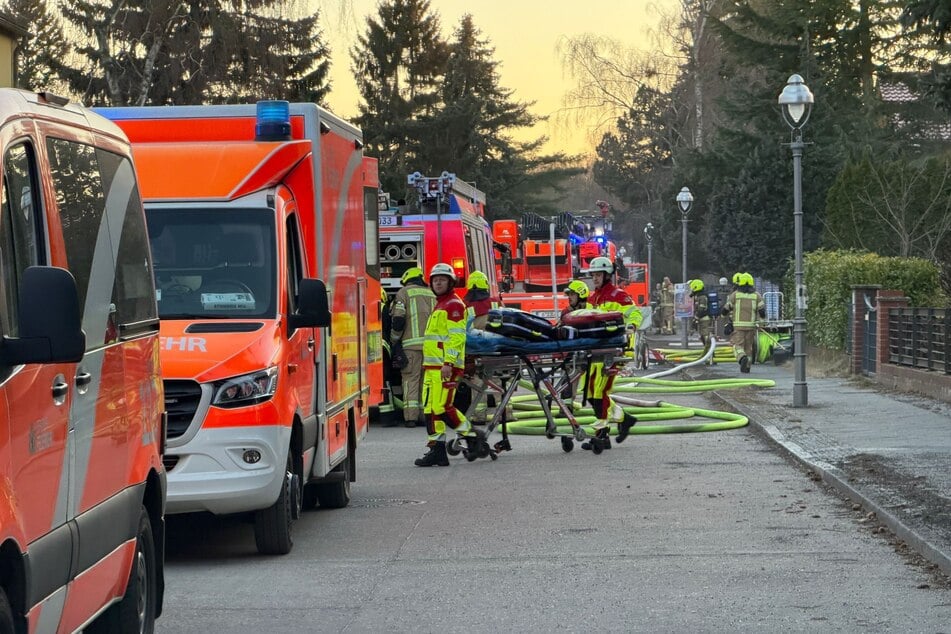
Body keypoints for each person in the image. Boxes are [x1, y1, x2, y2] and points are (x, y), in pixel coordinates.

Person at [415, 262, 482, 467]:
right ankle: (437, 451)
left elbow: (456, 338)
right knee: (431, 409)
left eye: (442, 280)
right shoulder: (441, 303)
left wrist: (449, 362)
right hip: (432, 367)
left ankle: (472, 438)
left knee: (442, 407)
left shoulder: (453, 305)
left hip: (445, 367)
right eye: (435, 280)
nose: (438, 283)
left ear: (450, 282)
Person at [583, 256, 641, 449]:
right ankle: (624, 419)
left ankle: (602, 436)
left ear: (607, 275)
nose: (595, 278)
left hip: (614, 352)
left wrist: (631, 325)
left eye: (598, 274)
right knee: (591, 393)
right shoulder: (593, 298)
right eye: (593, 275)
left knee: (600, 392)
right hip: (597, 350)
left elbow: (635, 314)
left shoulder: (619, 295)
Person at [390, 267, 436, 428]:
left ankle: (411, 417)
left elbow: (398, 320)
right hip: (431, 347)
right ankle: (425, 415)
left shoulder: (404, 293)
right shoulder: (432, 294)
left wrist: (394, 341)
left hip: (411, 346)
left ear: (407, 280)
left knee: (410, 380)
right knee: (426, 382)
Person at [721, 272, 765, 373]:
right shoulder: (756, 295)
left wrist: (723, 317)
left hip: (738, 326)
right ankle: (747, 367)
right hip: (751, 326)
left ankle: (742, 358)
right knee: (748, 347)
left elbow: (726, 308)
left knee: (738, 346)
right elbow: (762, 311)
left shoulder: (735, 295)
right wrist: (760, 323)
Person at [688, 279, 713, 360]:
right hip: (701, 319)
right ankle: (708, 354)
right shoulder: (698, 296)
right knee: (702, 336)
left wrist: (696, 318)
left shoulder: (702, 297)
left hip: (705, 319)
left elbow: (702, 309)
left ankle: (710, 354)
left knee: (706, 336)